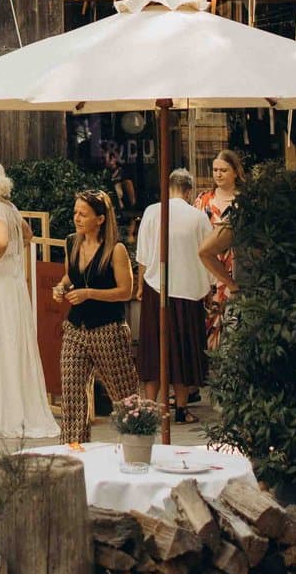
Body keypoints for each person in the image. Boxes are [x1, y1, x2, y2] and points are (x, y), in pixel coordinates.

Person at [0, 161, 59, 440]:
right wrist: (11, 261)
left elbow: (2, 240)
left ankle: (1, 415)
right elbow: (27, 235)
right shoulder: (10, 207)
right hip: (11, 285)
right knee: (11, 342)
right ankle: (14, 408)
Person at [54, 188, 142, 443]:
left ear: (100, 219)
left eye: (83, 214)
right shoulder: (72, 242)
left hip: (108, 329)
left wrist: (89, 293)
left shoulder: (115, 249)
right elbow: (70, 275)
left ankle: (137, 445)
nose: (77, 218)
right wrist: (61, 287)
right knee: (72, 394)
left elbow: (125, 291)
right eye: (75, 213)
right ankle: (73, 451)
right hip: (75, 328)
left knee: (125, 396)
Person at [136, 168, 214, 418]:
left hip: (156, 287)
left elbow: (142, 255)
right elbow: (208, 254)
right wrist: (210, 288)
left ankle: (150, 407)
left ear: (168, 188)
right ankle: (181, 408)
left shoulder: (152, 212)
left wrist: (140, 286)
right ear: (189, 191)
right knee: (183, 349)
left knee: (154, 347)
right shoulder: (198, 217)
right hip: (188, 290)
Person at [197, 149, 247, 335]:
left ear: (235, 172)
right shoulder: (204, 200)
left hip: (238, 270)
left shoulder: (244, 200)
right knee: (210, 328)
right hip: (210, 271)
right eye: (215, 170)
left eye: (223, 170)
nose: (218, 174)